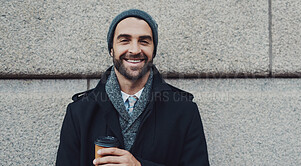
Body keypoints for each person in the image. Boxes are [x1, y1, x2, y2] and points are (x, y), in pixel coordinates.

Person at [56, 9, 209, 166]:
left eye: (144, 41)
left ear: (153, 50)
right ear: (111, 49)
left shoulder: (184, 111)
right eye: (124, 40)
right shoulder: (78, 113)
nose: (135, 50)